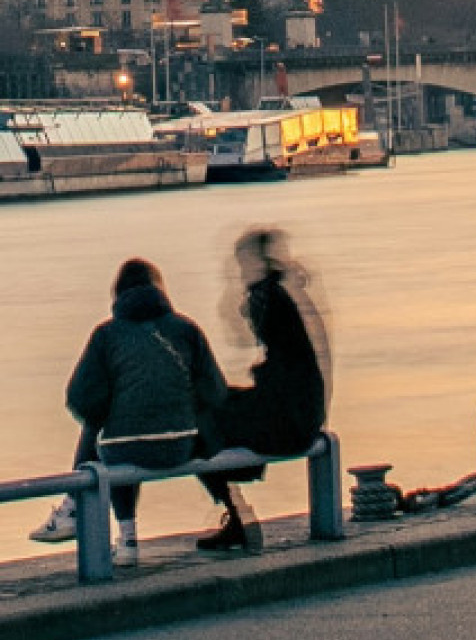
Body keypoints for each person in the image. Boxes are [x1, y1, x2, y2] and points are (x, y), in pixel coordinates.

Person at [56, 255, 226, 567]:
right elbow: (215, 392)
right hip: (182, 445)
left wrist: (114, 411)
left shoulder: (106, 334)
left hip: (125, 449)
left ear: (117, 293)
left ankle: (126, 539)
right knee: (126, 434)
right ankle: (229, 511)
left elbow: (81, 397)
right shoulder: (186, 328)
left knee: (112, 436)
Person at [194, 230, 332, 555]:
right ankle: (236, 509)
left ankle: (236, 512)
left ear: (255, 261)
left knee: (201, 419)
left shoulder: (264, 296)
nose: (239, 270)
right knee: (218, 407)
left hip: (287, 421)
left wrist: (232, 304)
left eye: (242, 262)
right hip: (305, 414)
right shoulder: (286, 291)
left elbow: (241, 339)